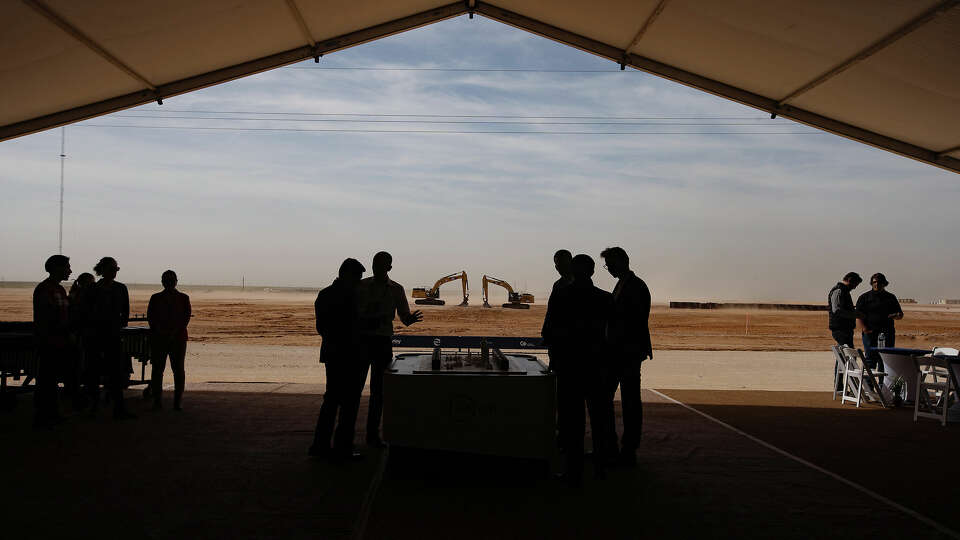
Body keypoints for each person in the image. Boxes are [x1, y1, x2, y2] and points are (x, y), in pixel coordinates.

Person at [542, 254, 612, 486]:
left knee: (572, 423)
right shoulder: (605, 299)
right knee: (600, 419)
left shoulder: (561, 295)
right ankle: (602, 469)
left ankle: (574, 473)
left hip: (569, 368)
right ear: (593, 272)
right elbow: (613, 336)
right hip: (596, 368)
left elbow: (548, 332)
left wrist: (558, 354)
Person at [356, 251, 422, 448]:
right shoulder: (361, 286)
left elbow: (404, 317)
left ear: (389, 268)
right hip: (362, 341)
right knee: (354, 390)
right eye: (375, 263)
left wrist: (411, 319)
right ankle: (348, 437)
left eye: (381, 264)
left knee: (379, 392)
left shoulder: (396, 289)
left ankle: (372, 435)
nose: (377, 267)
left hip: (382, 342)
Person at [310, 258, 366, 460]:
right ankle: (343, 448)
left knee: (331, 401)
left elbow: (321, 328)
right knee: (349, 403)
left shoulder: (325, 294)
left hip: (333, 355)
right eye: (358, 278)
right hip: (350, 355)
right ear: (348, 276)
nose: (359, 282)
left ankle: (320, 446)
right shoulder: (352, 297)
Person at [601, 246, 652, 467]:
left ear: (624, 261)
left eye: (610, 264)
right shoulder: (624, 284)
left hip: (626, 353)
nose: (609, 269)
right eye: (607, 265)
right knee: (620, 400)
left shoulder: (635, 287)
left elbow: (632, 323)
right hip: (620, 353)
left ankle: (627, 448)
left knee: (629, 402)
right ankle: (615, 446)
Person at [90, 257, 134, 420]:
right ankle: (94, 406)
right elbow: (88, 312)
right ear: (103, 270)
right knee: (94, 374)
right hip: (97, 336)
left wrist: (118, 327)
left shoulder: (121, 288)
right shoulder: (93, 289)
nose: (115, 272)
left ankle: (118, 408)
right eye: (113, 269)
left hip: (114, 336)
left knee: (116, 373)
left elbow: (125, 312)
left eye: (116, 269)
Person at [32, 255, 72, 428]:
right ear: (57, 268)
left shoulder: (60, 290)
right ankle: (43, 415)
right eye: (67, 267)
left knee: (52, 378)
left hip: (60, 341)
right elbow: (47, 318)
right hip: (50, 342)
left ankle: (52, 413)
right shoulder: (44, 290)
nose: (70, 270)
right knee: (46, 379)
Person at [541, 249, 573, 450]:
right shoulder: (558, 284)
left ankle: (567, 436)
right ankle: (563, 431)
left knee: (569, 396)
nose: (558, 267)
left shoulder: (573, 286)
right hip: (558, 347)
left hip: (568, 350)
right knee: (562, 395)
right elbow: (551, 313)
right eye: (556, 263)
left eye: (560, 262)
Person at [147, 270, 191, 411]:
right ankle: (158, 401)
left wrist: (171, 332)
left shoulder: (184, 298)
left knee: (176, 370)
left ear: (175, 281)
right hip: (164, 338)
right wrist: (162, 331)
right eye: (167, 280)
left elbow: (185, 319)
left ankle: (176, 402)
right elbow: (151, 318)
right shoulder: (156, 298)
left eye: (171, 280)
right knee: (160, 370)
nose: (169, 283)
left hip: (175, 338)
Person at [856, 272, 903, 371]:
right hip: (870, 333)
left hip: (887, 333)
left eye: (879, 282)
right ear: (871, 283)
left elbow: (900, 314)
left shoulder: (890, 297)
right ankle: (869, 385)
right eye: (874, 282)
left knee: (886, 360)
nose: (876, 284)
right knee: (870, 360)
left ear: (884, 283)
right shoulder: (864, 297)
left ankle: (883, 385)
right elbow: (858, 315)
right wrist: (864, 329)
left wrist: (896, 316)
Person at [66, 272, 96, 409]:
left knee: (79, 367)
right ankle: (75, 393)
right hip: (77, 336)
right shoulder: (76, 297)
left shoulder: (75, 295)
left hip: (81, 335)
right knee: (77, 367)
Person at [828, 272, 862, 347]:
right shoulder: (839, 291)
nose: (854, 287)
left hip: (844, 329)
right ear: (850, 280)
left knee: (845, 354)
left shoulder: (844, 291)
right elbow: (836, 310)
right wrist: (854, 315)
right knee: (847, 354)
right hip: (840, 329)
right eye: (855, 284)